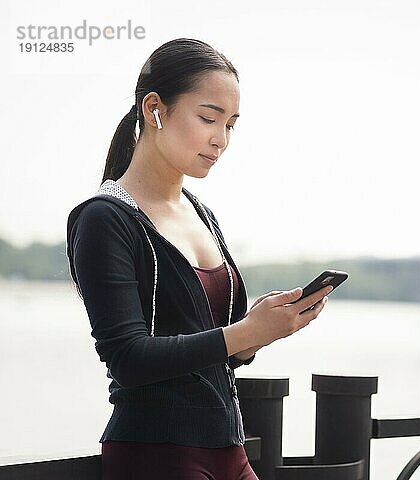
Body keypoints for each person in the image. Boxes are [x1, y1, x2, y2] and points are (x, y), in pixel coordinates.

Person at [65, 38, 332, 480]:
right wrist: (241, 332)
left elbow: (207, 344)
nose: (221, 139)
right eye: (209, 118)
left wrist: (256, 337)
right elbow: (128, 358)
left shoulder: (202, 214)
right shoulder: (104, 219)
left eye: (231, 124)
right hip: (157, 451)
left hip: (230, 446)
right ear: (155, 110)